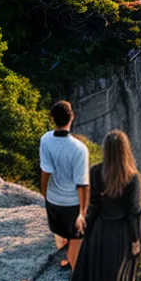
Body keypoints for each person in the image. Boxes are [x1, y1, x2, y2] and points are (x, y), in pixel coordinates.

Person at [63, 129, 141, 281]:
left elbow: (93, 208)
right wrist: (135, 241)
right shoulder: (132, 179)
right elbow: (133, 213)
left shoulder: (96, 172)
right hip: (119, 238)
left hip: (98, 234)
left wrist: (85, 235)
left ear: (106, 151)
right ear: (125, 151)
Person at [39, 100, 91, 270]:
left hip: (54, 202)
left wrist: (45, 194)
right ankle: (74, 270)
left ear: (52, 119)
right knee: (78, 235)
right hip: (72, 203)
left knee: (62, 231)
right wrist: (83, 213)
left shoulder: (45, 140)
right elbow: (82, 185)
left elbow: (46, 171)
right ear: (72, 117)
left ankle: (66, 254)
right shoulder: (79, 148)